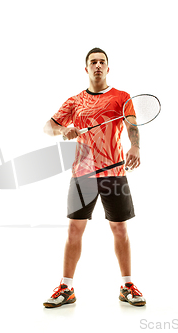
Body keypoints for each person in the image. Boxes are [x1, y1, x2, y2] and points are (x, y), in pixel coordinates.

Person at [42, 47, 146, 308]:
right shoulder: (75, 101)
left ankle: (127, 285)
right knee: (74, 229)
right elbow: (48, 126)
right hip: (83, 173)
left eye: (102, 62)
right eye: (93, 62)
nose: (97, 66)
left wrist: (135, 146)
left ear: (108, 68)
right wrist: (64, 130)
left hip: (114, 171)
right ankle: (66, 288)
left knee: (119, 228)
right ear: (86, 68)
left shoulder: (122, 97)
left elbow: (131, 124)